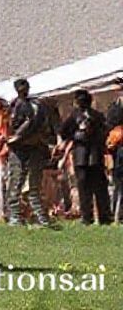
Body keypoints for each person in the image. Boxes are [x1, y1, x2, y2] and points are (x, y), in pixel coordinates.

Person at [58, 89, 111, 225]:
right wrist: (77, 135)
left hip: (94, 153)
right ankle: (87, 217)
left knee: (99, 187)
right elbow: (63, 132)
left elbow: (105, 132)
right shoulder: (74, 116)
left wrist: (92, 133)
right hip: (81, 153)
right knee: (84, 187)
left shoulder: (97, 116)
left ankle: (104, 217)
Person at [5, 78, 52, 226]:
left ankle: (41, 217)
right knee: (15, 183)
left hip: (33, 147)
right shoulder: (13, 105)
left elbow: (38, 124)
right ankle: (16, 216)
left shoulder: (37, 105)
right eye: (20, 87)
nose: (23, 90)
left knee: (33, 185)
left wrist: (20, 136)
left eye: (25, 87)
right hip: (19, 149)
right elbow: (10, 125)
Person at [107, 79, 123, 223]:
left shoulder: (115, 106)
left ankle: (117, 214)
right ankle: (117, 214)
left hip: (118, 149)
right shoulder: (114, 107)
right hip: (118, 149)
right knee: (118, 183)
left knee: (118, 183)